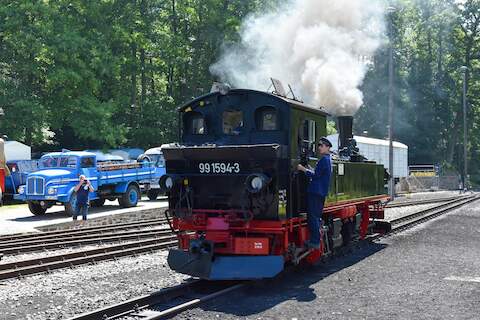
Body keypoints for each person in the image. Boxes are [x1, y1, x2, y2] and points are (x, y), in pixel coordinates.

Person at [297, 137, 332, 249]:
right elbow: (318, 173)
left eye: (322, 145)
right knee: (315, 216)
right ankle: (316, 239)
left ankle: (315, 241)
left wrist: (303, 169)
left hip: (316, 192)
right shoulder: (327, 159)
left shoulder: (324, 160)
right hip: (319, 192)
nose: (320, 148)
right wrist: (309, 168)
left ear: (327, 147)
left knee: (313, 216)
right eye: (319, 145)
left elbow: (316, 175)